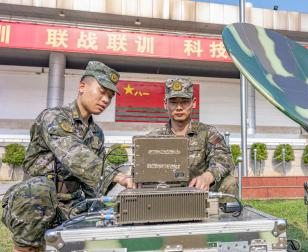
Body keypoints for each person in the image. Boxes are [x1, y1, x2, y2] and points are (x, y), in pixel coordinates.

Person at [1, 61, 134, 252]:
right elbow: (73, 154)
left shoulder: (96, 134)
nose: (106, 99)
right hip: (37, 202)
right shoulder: (53, 117)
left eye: (110, 96)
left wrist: (97, 210)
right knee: (39, 190)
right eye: (102, 91)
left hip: (72, 204)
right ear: (82, 87)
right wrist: (119, 175)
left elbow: (92, 184)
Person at [149, 77, 237, 194]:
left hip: (200, 192)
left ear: (193, 103)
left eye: (184, 101)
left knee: (229, 182)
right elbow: (140, 170)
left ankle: (223, 212)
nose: (179, 107)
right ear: (165, 104)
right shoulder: (154, 137)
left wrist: (207, 176)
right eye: (173, 102)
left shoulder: (207, 133)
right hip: (164, 193)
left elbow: (224, 159)